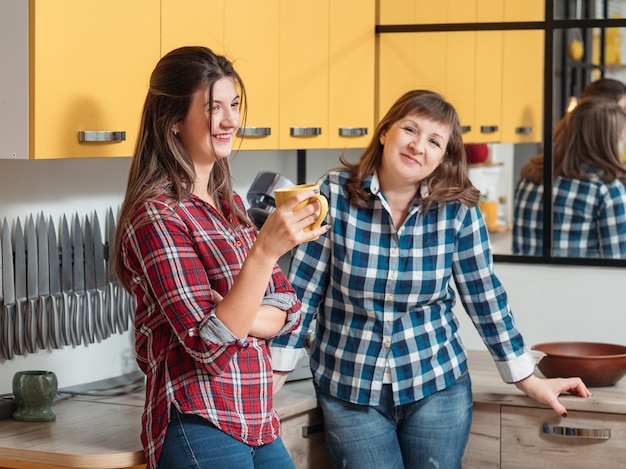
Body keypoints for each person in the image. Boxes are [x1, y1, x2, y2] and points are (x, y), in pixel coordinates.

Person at [270, 90, 591, 469]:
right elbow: (301, 293)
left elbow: (484, 298)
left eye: (434, 141)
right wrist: (272, 379)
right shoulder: (332, 196)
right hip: (350, 388)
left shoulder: (457, 210)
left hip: (437, 386)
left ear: (444, 156)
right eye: (410, 129)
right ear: (386, 131)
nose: (418, 146)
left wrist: (527, 378)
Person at [113, 46, 329, 469]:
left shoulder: (227, 204)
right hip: (198, 421)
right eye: (215, 107)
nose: (231, 120)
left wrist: (233, 312)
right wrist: (264, 254)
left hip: (256, 418)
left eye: (234, 105)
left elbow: (290, 311)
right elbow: (209, 345)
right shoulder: (157, 215)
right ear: (172, 120)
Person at [513, 97, 626, 258]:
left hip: (523, 282)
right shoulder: (607, 190)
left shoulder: (530, 178)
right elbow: (618, 262)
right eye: (620, 140)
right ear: (607, 143)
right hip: (577, 283)